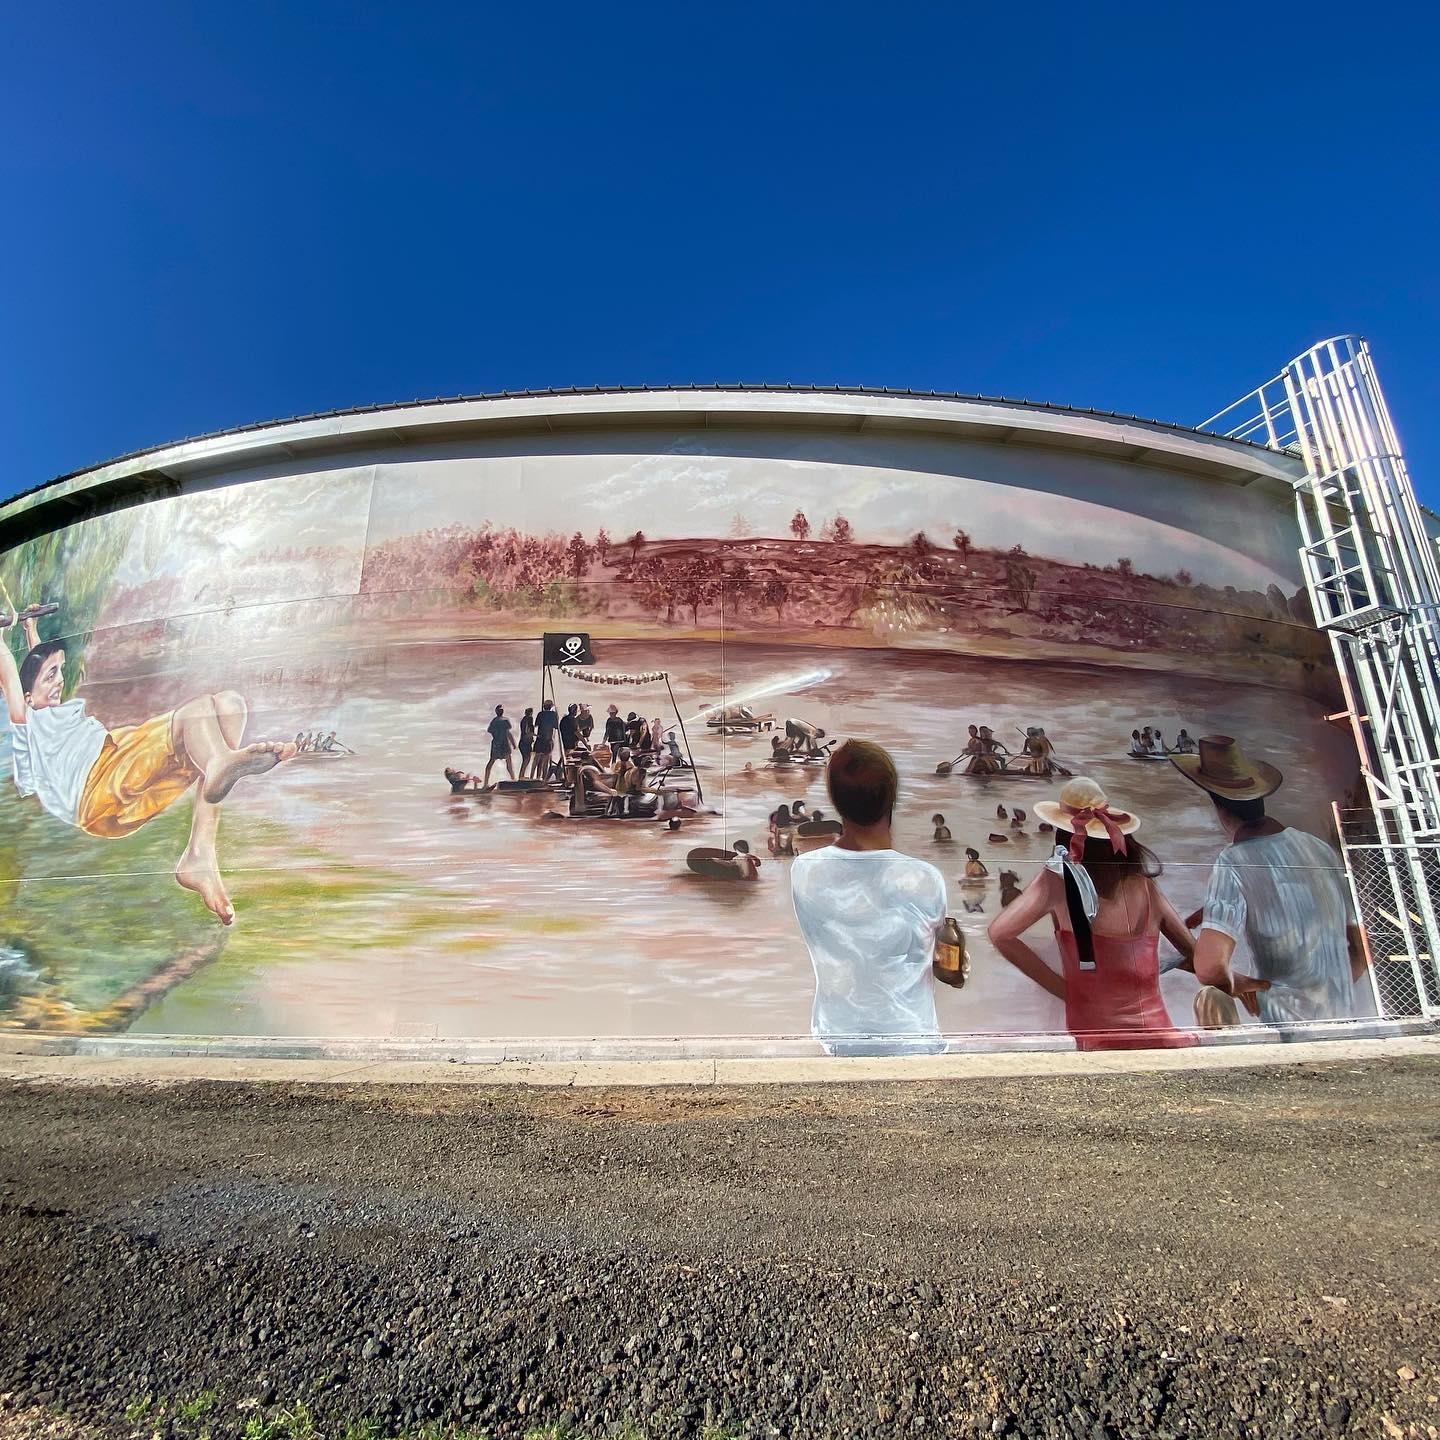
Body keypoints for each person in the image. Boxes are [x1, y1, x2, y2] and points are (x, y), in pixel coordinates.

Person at [0, 602, 295, 926]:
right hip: (99, 785)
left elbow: (33, 674)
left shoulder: (51, 720)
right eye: (51, 676)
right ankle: (218, 765)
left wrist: (29, 629)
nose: (59, 681)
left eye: (61, 671)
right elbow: (13, 675)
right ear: (27, 698)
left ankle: (200, 852)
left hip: (116, 787)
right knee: (196, 712)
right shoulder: (27, 724)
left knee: (228, 706)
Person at [987, 777, 1197, 1051]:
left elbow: (1000, 934)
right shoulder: (1145, 888)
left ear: (1064, 836)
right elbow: (1194, 952)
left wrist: (1066, 991)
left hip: (1095, 1034)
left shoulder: (1057, 882)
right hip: (1158, 1032)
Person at [1171, 736, 1366, 1028]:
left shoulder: (1233, 861)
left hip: (1280, 1021)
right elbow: (1361, 952)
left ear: (1218, 807)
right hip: (1338, 1014)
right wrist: (1319, 993)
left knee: (1209, 995)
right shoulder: (1318, 848)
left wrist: (1249, 985)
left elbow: (1211, 969)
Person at [790, 739, 947, 1056]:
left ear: (835, 801)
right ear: (893, 795)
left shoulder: (805, 870)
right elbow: (942, 961)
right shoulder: (925, 878)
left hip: (837, 1040)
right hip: (912, 1039)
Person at [483, 704, 516, 787]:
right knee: (495, 762)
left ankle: (513, 780)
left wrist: (513, 743)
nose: (501, 711)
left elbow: (507, 733)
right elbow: (507, 733)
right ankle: (485, 783)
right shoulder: (501, 721)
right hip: (500, 744)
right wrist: (513, 744)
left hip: (500, 744)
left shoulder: (496, 721)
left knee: (507, 763)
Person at [532, 699, 560, 779]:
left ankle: (532, 776)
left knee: (536, 759)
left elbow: (536, 724)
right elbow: (556, 726)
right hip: (548, 739)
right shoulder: (553, 714)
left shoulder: (540, 714)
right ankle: (543, 778)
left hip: (540, 738)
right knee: (546, 760)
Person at [518, 707, 535, 774]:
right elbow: (528, 731)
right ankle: (521, 775)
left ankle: (522, 774)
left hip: (523, 742)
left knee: (526, 759)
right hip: (526, 742)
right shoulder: (529, 719)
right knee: (527, 759)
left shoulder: (523, 719)